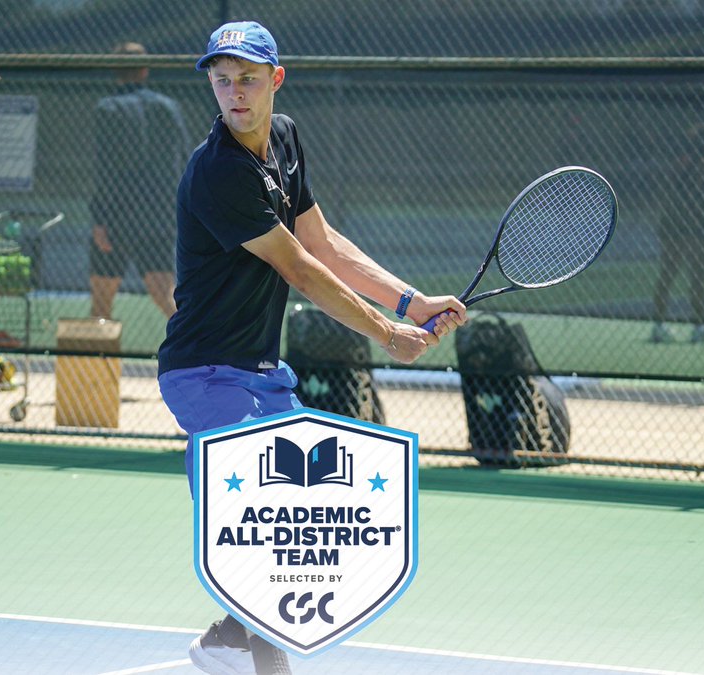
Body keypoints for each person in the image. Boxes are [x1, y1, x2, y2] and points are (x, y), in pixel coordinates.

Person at [157, 21, 466, 675]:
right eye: (222, 80)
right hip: (207, 373)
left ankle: (229, 636)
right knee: (267, 513)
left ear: (275, 79)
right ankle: (251, 647)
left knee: (302, 512)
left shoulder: (286, 140)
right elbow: (299, 269)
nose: (234, 92)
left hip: (263, 372)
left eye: (247, 78)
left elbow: (323, 245)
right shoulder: (220, 171)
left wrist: (411, 303)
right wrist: (386, 334)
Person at [89, 41, 190, 320]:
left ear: (114, 71)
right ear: (145, 70)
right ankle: (199, 354)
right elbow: (185, 160)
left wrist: (100, 220)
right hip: (158, 216)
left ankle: (96, 363)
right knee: (164, 293)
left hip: (116, 216)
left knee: (101, 301)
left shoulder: (108, 109)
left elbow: (104, 169)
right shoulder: (169, 108)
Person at [651, 123, 704, 344]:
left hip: (670, 223)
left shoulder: (677, 164)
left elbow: (666, 194)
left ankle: (658, 326)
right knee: (697, 277)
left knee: (667, 274)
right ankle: (699, 327)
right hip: (694, 227)